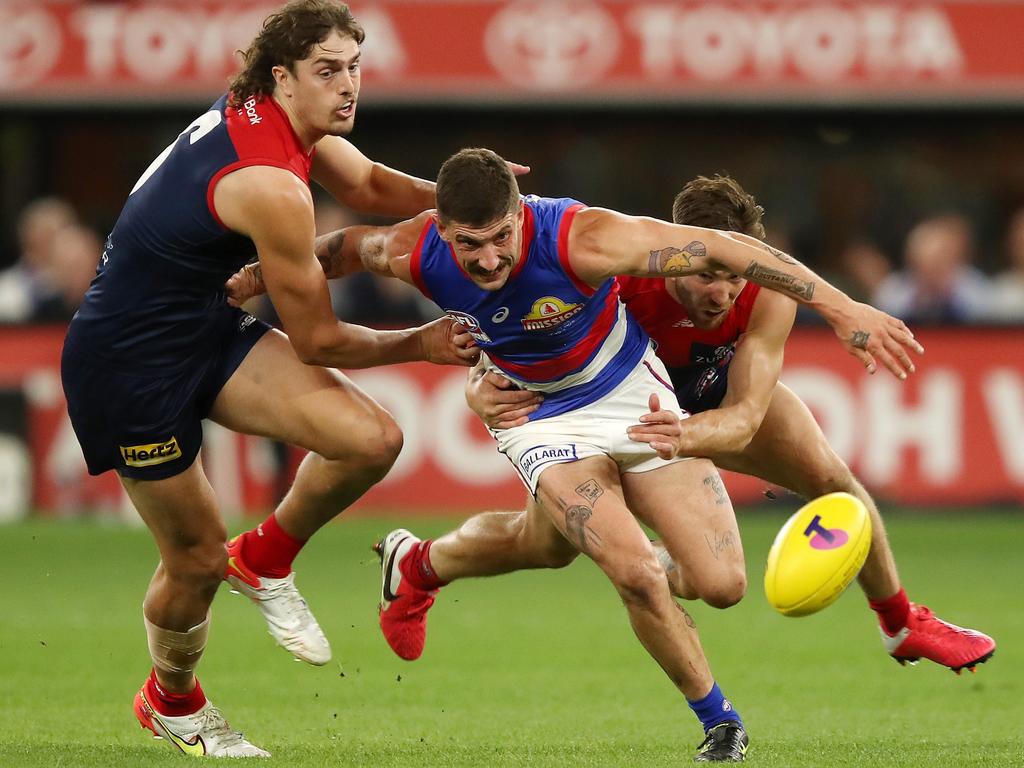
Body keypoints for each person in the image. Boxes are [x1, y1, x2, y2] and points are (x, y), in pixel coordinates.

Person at [233, 148, 921, 761]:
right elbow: (343, 250)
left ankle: (418, 562)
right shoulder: (414, 250)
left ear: (520, 217)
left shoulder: (582, 237)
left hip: (632, 395)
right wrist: (262, 274)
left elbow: (723, 250)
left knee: (721, 585)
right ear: (442, 228)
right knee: (636, 575)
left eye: (502, 237)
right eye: (470, 244)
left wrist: (841, 308)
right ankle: (720, 722)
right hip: (537, 418)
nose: (489, 259)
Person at [60, 1, 481, 757]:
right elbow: (318, 339)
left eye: (354, 67)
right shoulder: (269, 183)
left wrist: (478, 204)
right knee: (192, 560)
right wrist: (422, 341)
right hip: (128, 365)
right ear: (283, 77)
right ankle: (172, 701)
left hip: (204, 328)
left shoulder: (272, 116)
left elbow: (374, 186)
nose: (348, 85)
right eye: (329, 71)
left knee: (371, 438)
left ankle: (265, 558)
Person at [421, 175, 994, 676]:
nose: (720, 292)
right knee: (543, 547)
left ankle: (899, 622)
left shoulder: (768, 297)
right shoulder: (614, 276)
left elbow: (744, 421)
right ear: (675, 256)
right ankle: (421, 564)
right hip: (605, 413)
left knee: (832, 479)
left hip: (699, 408)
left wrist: (684, 434)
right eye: (706, 276)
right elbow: (519, 337)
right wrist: (478, 389)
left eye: (733, 278)